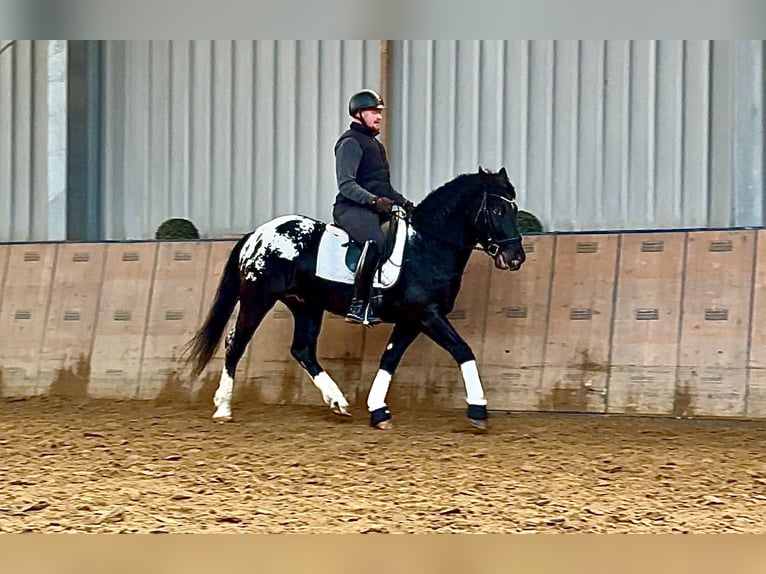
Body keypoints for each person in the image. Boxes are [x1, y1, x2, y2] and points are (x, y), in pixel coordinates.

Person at [333, 89, 414, 326]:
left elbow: (383, 187)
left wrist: (405, 203)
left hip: (373, 208)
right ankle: (358, 305)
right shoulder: (350, 143)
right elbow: (346, 184)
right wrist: (373, 201)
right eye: (373, 112)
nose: (379, 116)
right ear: (359, 114)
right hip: (351, 208)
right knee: (376, 241)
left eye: (379, 112)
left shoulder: (375, 145)